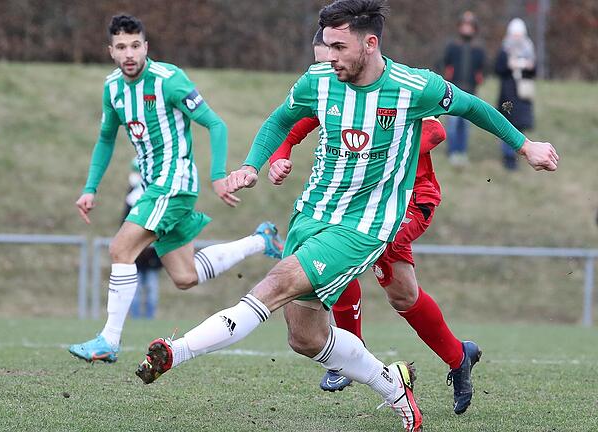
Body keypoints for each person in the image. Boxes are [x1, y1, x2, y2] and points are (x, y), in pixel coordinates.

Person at [136, 1, 558, 431]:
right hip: (311, 214)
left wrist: (525, 146)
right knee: (305, 337)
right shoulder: (318, 79)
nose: (329, 54)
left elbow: (473, 107)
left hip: (364, 226)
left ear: (370, 43)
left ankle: (176, 350)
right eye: (326, 45)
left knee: (277, 282)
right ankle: (392, 384)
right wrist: (252, 165)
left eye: (339, 46)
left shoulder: (414, 86)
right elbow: (282, 120)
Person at [69, 15, 284, 363]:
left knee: (122, 248)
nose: (129, 53)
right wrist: (90, 187)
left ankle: (109, 340)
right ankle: (262, 240)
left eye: (135, 45)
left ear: (146, 47)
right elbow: (106, 139)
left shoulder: (169, 80)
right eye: (121, 47)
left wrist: (217, 175)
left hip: (175, 182)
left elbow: (215, 123)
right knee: (185, 276)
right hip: (156, 185)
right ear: (111, 51)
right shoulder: (113, 89)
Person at [271, 112, 481, 414]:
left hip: (410, 200)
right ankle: (460, 356)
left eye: (338, 60)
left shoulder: (399, 86)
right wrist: (283, 151)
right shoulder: (338, 90)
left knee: (348, 251)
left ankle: (349, 351)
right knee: (403, 295)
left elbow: (436, 132)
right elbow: (305, 117)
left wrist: (383, 148)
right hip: (364, 204)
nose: (333, 63)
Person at [442, 11, 486, 167]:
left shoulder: (478, 49)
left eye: (470, 25)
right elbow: (444, 64)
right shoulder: (452, 46)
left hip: (471, 92)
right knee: (452, 124)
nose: (467, 28)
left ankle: (462, 152)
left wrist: (478, 79)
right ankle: (452, 151)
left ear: (474, 28)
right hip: (454, 91)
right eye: (464, 25)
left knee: (465, 125)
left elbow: (483, 69)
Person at [495, 18, 536, 170]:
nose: (517, 37)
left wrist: (526, 66)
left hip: (522, 96)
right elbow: (498, 69)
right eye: (515, 34)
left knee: (520, 126)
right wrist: (509, 66)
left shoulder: (529, 49)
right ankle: (508, 157)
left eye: (519, 34)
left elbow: (534, 70)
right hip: (507, 94)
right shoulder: (504, 50)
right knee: (506, 125)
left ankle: (519, 154)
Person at [124, 160, 162, 319]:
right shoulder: (131, 197)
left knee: (152, 289)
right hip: (136, 254)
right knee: (135, 290)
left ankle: (149, 319)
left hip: (152, 254)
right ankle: (135, 320)